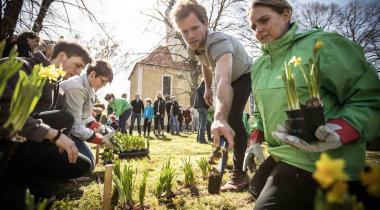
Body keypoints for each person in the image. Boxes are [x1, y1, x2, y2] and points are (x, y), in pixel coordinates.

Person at [247, 0, 380, 209]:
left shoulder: (323, 45)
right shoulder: (260, 66)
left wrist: (339, 132)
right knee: (255, 187)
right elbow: (259, 111)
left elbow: (370, 98)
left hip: (322, 161)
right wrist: (255, 138)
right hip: (283, 154)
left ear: (286, 15)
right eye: (253, 26)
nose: (259, 30)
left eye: (264, 20)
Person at [171, 0, 253, 191]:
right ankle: (221, 152)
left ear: (206, 23)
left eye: (194, 28)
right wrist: (207, 87)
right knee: (225, 114)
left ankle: (239, 174)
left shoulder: (218, 42)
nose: (190, 36)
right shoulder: (193, 46)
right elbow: (205, 63)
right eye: (184, 32)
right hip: (225, 77)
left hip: (243, 75)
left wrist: (219, 117)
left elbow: (224, 81)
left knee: (231, 117)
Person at [0, 41, 92, 207]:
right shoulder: (20, 66)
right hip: (7, 142)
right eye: (77, 66)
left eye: (81, 69)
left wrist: (64, 141)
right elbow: (5, 113)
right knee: (65, 118)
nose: (78, 73)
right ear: (62, 56)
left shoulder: (58, 89)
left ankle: (36, 179)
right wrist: (53, 134)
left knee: (83, 165)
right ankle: (14, 185)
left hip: (33, 143)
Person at [60, 60, 116, 170]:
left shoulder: (90, 88)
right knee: (86, 165)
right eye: (103, 82)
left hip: (71, 128)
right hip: (62, 131)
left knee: (90, 162)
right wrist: (101, 140)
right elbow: (74, 126)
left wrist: (101, 128)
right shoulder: (77, 88)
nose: (103, 86)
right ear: (93, 74)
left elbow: (86, 117)